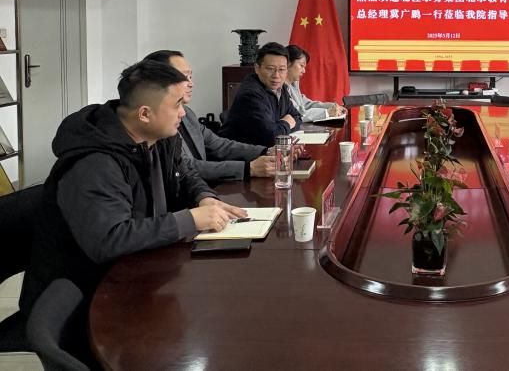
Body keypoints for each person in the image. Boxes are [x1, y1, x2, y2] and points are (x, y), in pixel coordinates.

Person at [20, 60, 247, 317]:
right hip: (86, 299)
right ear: (145, 114)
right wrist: (190, 220)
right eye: (177, 105)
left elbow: (184, 174)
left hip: (140, 272)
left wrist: (203, 197)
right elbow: (109, 240)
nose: (184, 113)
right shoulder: (96, 163)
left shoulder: (158, 137)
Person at [143, 50, 276, 184]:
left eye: (190, 76)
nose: (191, 83)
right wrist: (247, 169)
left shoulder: (188, 113)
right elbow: (185, 167)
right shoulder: (157, 121)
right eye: (183, 77)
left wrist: (266, 152)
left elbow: (219, 145)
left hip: (202, 189)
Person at [220, 42, 302, 146]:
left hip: (264, 150)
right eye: (270, 69)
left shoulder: (281, 88)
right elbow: (271, 137)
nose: (276, 75)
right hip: (239, 153)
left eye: (281, 69)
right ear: (257, 68)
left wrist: (279, 127)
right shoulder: (251, 94)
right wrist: (286, 123)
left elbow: (297, 117)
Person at [285, 44, 346, 122]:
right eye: (301, 66)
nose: (304, 71)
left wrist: (330, 106)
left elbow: (305, 104)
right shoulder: (279, 87)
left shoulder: (293, 84)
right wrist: (327, 112)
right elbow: (298, 113)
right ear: (288, 63)